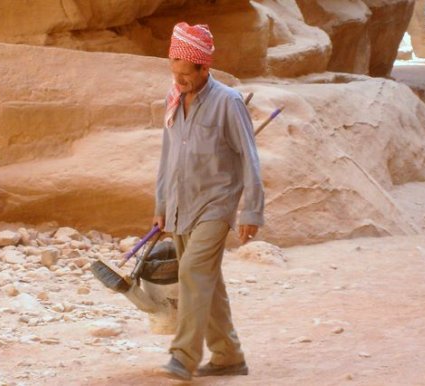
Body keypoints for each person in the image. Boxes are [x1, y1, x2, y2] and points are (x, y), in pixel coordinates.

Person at [153, 22, 265, 381]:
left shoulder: (228, 102)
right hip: (180, 205)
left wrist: (251, 210)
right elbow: (166, 158)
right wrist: (160, 206)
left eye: (186, 73)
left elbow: (249, 158)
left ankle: (182, 356)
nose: (179, 79)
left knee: (191, 272)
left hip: (216, 205)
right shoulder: (173, 100)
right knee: (206, 281)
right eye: (174, 71)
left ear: (204, 68)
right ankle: (228, 355)